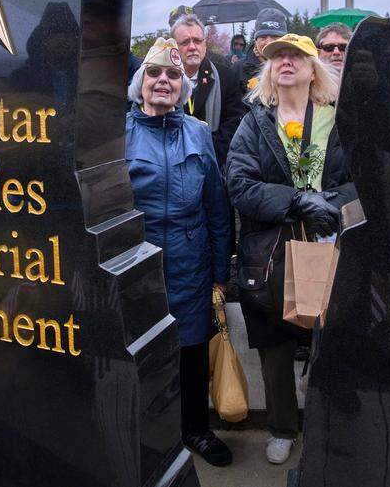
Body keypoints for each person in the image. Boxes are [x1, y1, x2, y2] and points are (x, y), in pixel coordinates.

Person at [226, 33, 356, 465]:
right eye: (277, 56)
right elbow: (240, 185)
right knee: (275, 344)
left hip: (328, 243)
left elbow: (361, 179)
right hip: (271, 251)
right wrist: (295, 200)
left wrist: (330, 205)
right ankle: (283, 427)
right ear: (268, 69)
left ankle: (331, 421)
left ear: (313, 65)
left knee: (332, 338)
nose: (285, 61)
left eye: (295, 55)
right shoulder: (254, 122)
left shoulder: (337, 119)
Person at [125, 38, 234, 467]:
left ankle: (196, 430)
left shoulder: (199, 132)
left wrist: (222, 271)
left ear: (183, 87)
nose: (163, 81)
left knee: (191, 351)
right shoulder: (119, 133)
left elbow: (217, 207)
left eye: (172, 75)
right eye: (154, 73)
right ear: (141, 82)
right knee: (141, 352)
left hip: (191, 262)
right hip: (137, 264)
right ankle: (145, 432)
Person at [171, 13, 245, 166]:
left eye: (197, 40)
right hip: (173, 163)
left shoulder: (226, 77)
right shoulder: (163, 81)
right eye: (185, 42)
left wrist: (210, 160)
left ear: (204, 44)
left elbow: (232, 124)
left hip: (215, 163)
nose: (192, 47)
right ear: (174, 46)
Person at [237, 7, 287, 96]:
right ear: (256, 40)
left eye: (275, 37)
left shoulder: (293, 67)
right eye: (263, 37)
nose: (268, 42)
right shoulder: (238, 69)